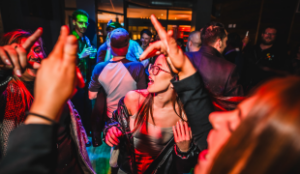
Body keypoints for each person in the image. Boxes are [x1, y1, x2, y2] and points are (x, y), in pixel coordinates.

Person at [0, 29, 95, 174]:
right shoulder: (6, 95)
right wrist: (2, 72)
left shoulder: (52, 86)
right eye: (25, 52)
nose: (34, 55)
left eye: (38, 50)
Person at [89, 28, 147, 147]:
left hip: (111, 122)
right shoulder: (138, 67)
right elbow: (144, 96)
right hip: (132, 120)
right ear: (127, 45)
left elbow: (91, 96)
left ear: (110, 45)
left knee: (116, 150)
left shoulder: (99, 68)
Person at [185, 23, 243, 110]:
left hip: (181, 119)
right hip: (211, 119)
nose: (226, 45)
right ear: (219, 42)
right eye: (225, 41)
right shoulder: (229, 68)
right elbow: (235, 104)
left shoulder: (184, 57)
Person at [71, 9, 96, 138]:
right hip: (73, 84)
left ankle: (87, 134)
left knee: (87, 110)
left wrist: (92, 56)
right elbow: (64, 61)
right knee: (77, 112)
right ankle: (79, 138)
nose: (84, 26)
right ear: (74, 22)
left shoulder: (86, 39)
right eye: (81, 23)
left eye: (86, 23)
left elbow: (89, 60)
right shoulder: (70, 39)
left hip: (85, 82)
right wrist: (80, 56)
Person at [243, 26, 288, 93]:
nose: (269, 36)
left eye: (272, 34)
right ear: (262, 34)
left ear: (275, 36)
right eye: (267, 33)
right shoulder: (252, 49)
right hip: (245, 88)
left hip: (264, 91)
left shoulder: (279, 54)